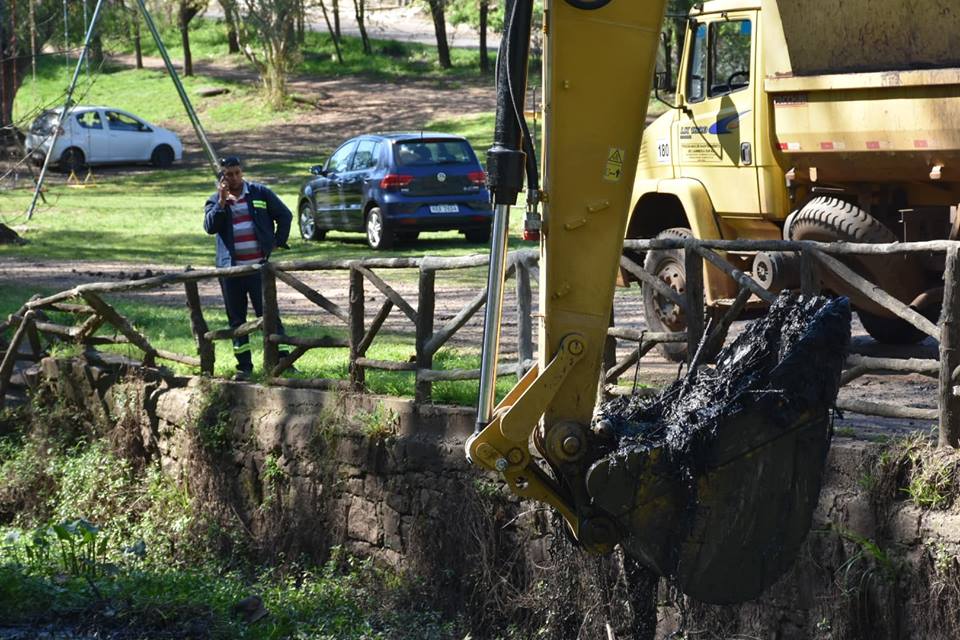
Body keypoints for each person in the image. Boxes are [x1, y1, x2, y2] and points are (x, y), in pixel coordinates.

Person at [203, 156, 292, 380]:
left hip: (259, 269)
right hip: (231, 272)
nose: (234, 178)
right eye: (229, 174)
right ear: (222, 178)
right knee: (236, 319)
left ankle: (283, 361)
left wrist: (277, 241)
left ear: (241, 172)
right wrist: (222, 202)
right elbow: (210, 227)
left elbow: (285, 215)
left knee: (270, 315)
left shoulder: (260, 192)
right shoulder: (214, 201)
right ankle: (244, 366)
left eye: (237, 173)